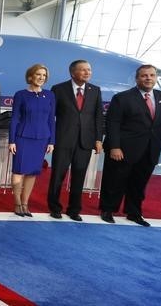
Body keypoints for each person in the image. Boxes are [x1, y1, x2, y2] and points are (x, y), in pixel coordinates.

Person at [99, 65, 161, 227]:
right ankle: (108, 210)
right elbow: (113, 123)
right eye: (144, 76)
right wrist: (114, 146)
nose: (148, 78)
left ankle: (133, 212)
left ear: (155, 78)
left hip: (150, 149)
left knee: (139, 183)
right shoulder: (122, 98)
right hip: (122, 149)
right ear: (137, 79)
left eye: (151, 75)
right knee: (114, 181)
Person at [47, 60, 104, 221]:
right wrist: (51, 138)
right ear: (73, 73)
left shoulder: (95, 90)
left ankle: (74, 210)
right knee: (58, 175)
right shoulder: (58, 89)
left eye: (89, 70)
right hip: (63, 139)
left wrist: (98, 139)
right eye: (83, 70)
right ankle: (54, 207)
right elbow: (51, 116)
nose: (87, 73)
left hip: (85, 141)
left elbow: (98, 117)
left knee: (79, 176)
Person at [8, 64, 56, 217]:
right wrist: (12, 140)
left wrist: (51, 141)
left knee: (32, 173)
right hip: (22, 138)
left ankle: (25, 203)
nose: (41, 78)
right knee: (19, 170)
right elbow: (15, 118)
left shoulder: (49, 95)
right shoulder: (21, 95)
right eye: (38, 74)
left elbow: (51, 119)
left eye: (44, 75)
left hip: (42, 138)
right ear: (30, 76)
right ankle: (17, 203)